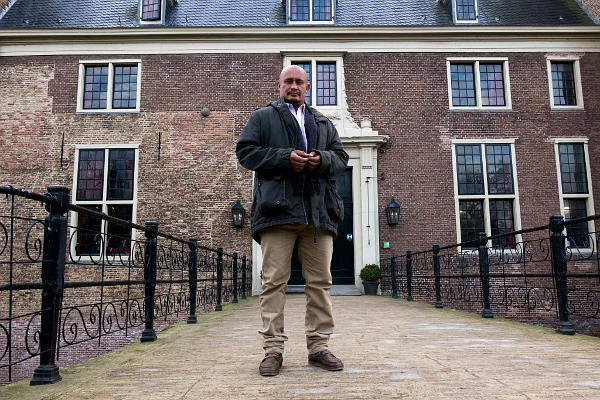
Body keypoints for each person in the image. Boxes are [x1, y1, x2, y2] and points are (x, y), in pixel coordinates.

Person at [236, 65, 349, 377]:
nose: (294, 86)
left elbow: (341, 158)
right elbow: (245, 153)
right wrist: (285, 158)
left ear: (308, 87)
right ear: (280, 85)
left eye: (300, 82)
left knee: (321, 284)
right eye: (289, 81)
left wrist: (320, 160)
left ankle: (319, 347)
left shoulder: (324, 122)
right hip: (277, 212)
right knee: (274, 283)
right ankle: (273, 350)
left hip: (318, 213)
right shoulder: (262, 117)